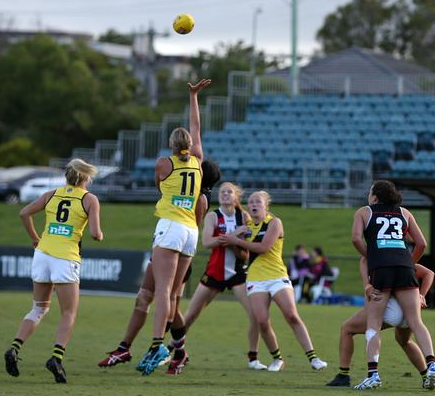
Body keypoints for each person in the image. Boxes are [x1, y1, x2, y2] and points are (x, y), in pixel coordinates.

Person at [97, 160, 220, 373]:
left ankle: (170, 350)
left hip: (178, 250)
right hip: (165, 246)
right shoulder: (189, 189)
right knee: (144, 297)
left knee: (169, 303)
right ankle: (124, 348)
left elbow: (193, 226)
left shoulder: (199, 198)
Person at [4, 159, 103, 383]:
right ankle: (56, 358)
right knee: (68, 312)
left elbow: (24, 213)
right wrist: (98, 234)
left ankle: (14, 348)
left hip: (42, 255)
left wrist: (34, 239)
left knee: (38, 309)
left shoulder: (50, 195)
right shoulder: (89, 199)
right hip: (65, 258)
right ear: (85, 178)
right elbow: (96, 234)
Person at [136, 79, 211, 376]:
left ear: (171, 145)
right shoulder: (198, 160)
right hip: (191, 231)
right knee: (174, 294)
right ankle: (172, 347)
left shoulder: (163, 164)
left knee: (163, 292)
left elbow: (159, 187)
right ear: (190, 145)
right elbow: (197, 128)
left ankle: (157, 346)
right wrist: (194, 97)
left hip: (170, 226)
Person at [221, 190, 327, 372]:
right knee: (262, 321)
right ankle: (277, 358)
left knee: (291, 315)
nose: (253, 204)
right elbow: (244, 255)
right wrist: (234, 240)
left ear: (265, 206)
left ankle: (313, 357)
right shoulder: (247, 227)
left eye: (258, 202)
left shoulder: (274, 222)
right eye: (251, 202)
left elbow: (263, 247)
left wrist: (236, 240)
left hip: (277, 276)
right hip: (255, 278)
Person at [351, 180, 435, 390]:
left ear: (375, 197)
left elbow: (355, 238)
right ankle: (432, 365)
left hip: (381, 269)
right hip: (404, 267)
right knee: (416, 322)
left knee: (373, 324)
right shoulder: (404, 212)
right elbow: (422, 243)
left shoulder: (364, 212)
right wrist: (408, 262)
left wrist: (372, 256)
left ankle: (373, 374)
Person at [173, 182, 268, 373]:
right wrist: (232, 236)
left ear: (236, 197)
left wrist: (233, 243)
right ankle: (172, 351)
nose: (225, 194)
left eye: (229, 192)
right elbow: (207, 242)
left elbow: (245, 255)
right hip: (215, 272)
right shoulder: (213, 216)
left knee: (256, 316)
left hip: (238, 274)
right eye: (222, 191)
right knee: (190, 315)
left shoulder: (244, 217)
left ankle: (253, 358)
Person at [326, 260, 435, 388]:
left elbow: (362, 256)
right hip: (409, 308)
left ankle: (344, 375)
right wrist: (422, 295)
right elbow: (429, 273)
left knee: (347, 328)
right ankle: (426, 375)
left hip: (389, 308)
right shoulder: (401, 259)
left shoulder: (376, 259)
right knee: (404, 340)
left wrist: (367, 286)